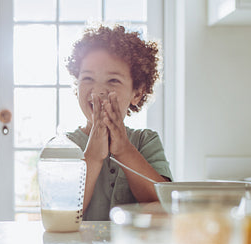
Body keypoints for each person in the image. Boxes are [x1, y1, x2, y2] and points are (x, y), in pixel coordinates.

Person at [65, 23, 173, 221]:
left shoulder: (145, 141)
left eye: (113, 81)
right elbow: (64, 212)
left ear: (137, 93)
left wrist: (124, 149)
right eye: (88, 78)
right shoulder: (65, 146)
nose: (98, 91)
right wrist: (93, 156)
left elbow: (164, 205)